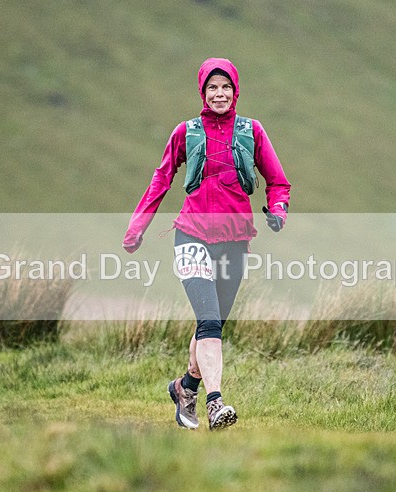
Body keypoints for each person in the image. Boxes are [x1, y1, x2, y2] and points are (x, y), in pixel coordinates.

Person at [123, 58, 291, 430]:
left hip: (234, 240)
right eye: (212, 87)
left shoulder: (252, 131)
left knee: (209, 326)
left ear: (236, 91)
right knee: (210, 323)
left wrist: (278, 209)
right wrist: (137, 227)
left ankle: (185, 388)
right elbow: (161, 179)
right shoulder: (186, 132)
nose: (219, 94)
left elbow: (278, 181)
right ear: (203, 92)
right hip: (191, 236)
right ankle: (215, 403)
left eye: (226, 87)